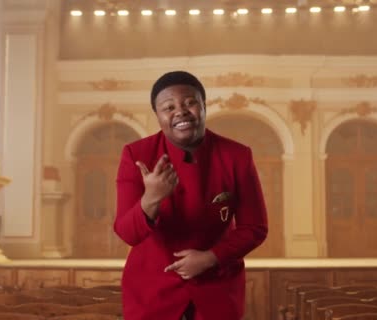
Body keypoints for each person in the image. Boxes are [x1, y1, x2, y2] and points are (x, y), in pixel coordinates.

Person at [114, 70, 268, 320]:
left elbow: (255, 227)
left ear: (204, 106)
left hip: (217, 287)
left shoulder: (237, 155)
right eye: (169, 107)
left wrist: (211, 258)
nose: (181, 111)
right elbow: (127, 233)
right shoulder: (136, 154)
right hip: (152, 291)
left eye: (190, 102)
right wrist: (151, 198)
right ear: (158, 115)